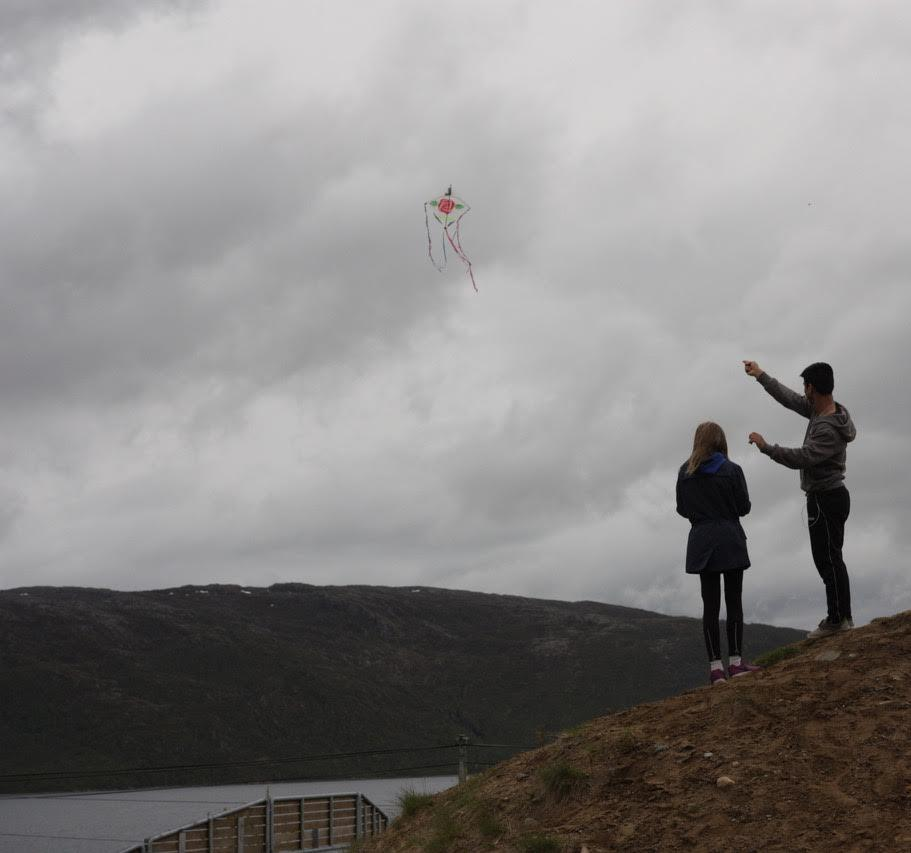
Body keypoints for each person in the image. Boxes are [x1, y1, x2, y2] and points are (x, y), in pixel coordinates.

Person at [743, 360, 857, 639]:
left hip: (825, 498)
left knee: (827, 560)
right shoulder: (827, 412)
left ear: (812, 388)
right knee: (831, 558)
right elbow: (789, 399)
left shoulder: (826, 427)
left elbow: (803, 457)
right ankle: (841, 616)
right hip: (830, 496)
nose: (802, 392)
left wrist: (767, 448)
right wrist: (761, 375)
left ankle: (838, 619)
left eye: (805, 386)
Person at [676, 422, 760, 685]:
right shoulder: (732, 470)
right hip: (730, 538)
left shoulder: (684, 471)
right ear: (720, 441)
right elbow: (744, 507)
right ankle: (736, 663)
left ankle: (715, 669)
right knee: (734, 601)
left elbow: (681, 508)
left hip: (702, 541)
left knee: (710, 605)